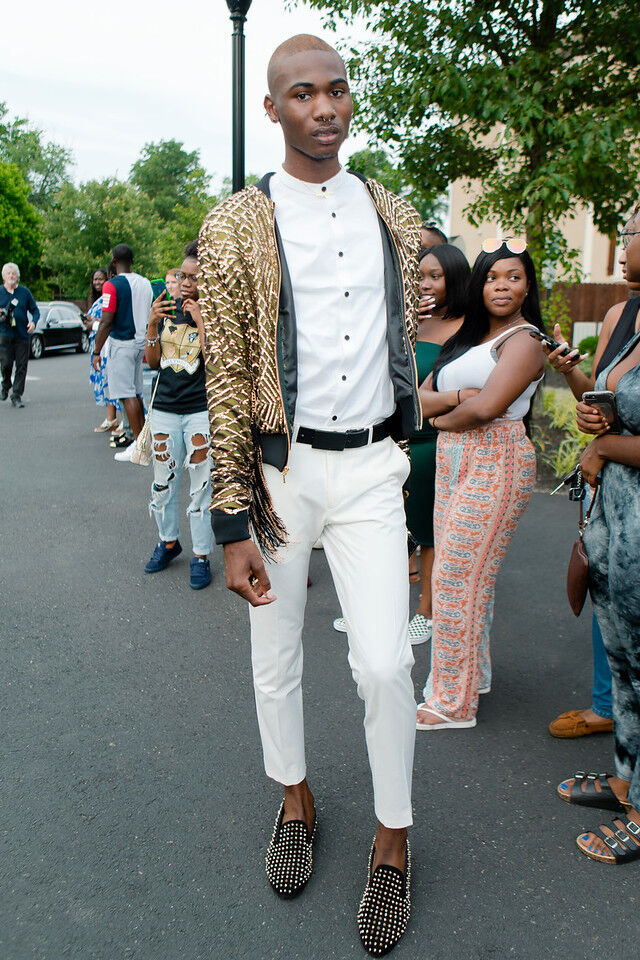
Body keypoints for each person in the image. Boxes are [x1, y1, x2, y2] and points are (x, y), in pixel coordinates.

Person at [199, 34, 421, 956]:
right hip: (283, 474)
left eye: (335, 91)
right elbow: (226, 376)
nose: (323, 108)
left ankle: (394, 839)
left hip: (372, 469)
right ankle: (296, 796)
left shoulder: (393, 212)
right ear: (273, 109)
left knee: (383, 664)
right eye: (302, 94)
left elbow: (413, 325)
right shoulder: (232, 227)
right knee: (275, 653)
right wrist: (231, 517)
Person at [416, 239, 546, 730]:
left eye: (513, 277)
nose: (502, 286)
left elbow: (487, 408)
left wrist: (445, 418)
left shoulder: (525, 340)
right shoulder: (467, 340)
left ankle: (452, 703)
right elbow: (421, 397)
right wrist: (456, 402)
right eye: (492, 277)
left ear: (527, 285)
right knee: (472, 581)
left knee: (452, 577)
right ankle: (475, 676)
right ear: (479, 284)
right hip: (454, 462)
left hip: (496, 459)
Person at [555, 207, 640, 864]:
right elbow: (605, 401)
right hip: (612, 508)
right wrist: (588, 409)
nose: (624, 238)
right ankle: (623, 778)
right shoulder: (622, 316)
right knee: (622, 657)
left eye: (634, 230)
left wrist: (606, 443)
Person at [404, 244, 470, 644]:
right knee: (391, 530)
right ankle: (385, 610)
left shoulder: (467, 328)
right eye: (420, 275)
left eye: (435, 276)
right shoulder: (408, 320)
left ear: (455, 279)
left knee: (428, 533)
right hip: (392, 437)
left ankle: (425, 612)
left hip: (433, 441)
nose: (425, 284)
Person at [143, 243, 213, 590]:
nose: (185, 282)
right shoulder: (167, 311)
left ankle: (201, 556)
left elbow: (218, 363)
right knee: (163, 485)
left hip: (199, 411)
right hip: (166, 411)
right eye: (182, 275)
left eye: (192, 277)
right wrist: (153, 324)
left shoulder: (214, 312)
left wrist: (201, 321)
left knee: (201, 488)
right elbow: (153, 362)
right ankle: (168, 542)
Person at [92, 243, 152, 461]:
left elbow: (106, 320)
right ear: (133, 261)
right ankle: (145, 442)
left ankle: (139, 447)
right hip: (141, 343)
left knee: (127, 394)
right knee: (136, 392)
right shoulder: (145, 283)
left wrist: (97, 350)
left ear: (114, 262)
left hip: (122, 343)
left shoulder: (112, 286)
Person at [86, 268, 121, 433]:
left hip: (109, 346)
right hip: (98, 345)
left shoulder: (110, 297)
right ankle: (111, 418)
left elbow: (108, 322)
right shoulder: (97, 300)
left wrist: (93, 323)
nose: (97, 282)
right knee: (105, 383)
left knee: (113, 383)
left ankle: (123, 422)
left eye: (101, 279)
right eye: (95, 279)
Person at [0, 262, 40, 408]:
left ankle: (16, 395)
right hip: (4, 334)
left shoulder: (24, 292)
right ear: (4, 276)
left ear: (17, 277)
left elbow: (35, 310)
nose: (11, 276)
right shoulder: (0, 292)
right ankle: (5, 384)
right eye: (8, 273)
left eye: (14, 273)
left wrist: (33, 322)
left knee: (22, 366)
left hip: (22, 334)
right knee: (6, 364)